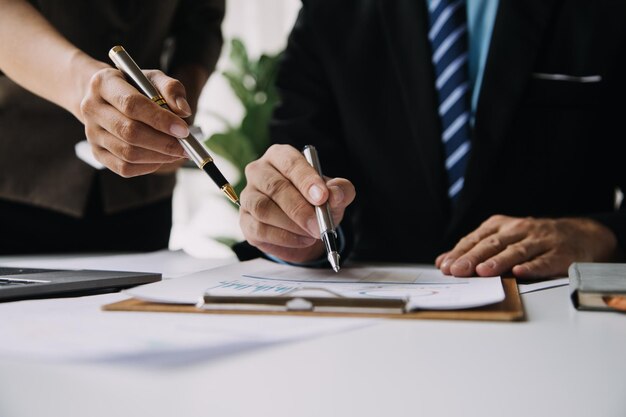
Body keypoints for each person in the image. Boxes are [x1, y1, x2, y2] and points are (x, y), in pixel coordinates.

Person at [236, 0, 626, 279]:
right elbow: (302, 162)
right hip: (376, 315)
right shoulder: (331, 12)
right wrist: (301, 229)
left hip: (553, 307)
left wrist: (601, 234)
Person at [0, 0, 224, 254]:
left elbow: (201, 20)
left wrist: (181, 102)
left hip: (141, 196)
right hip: (19, 179)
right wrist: (86, 85)